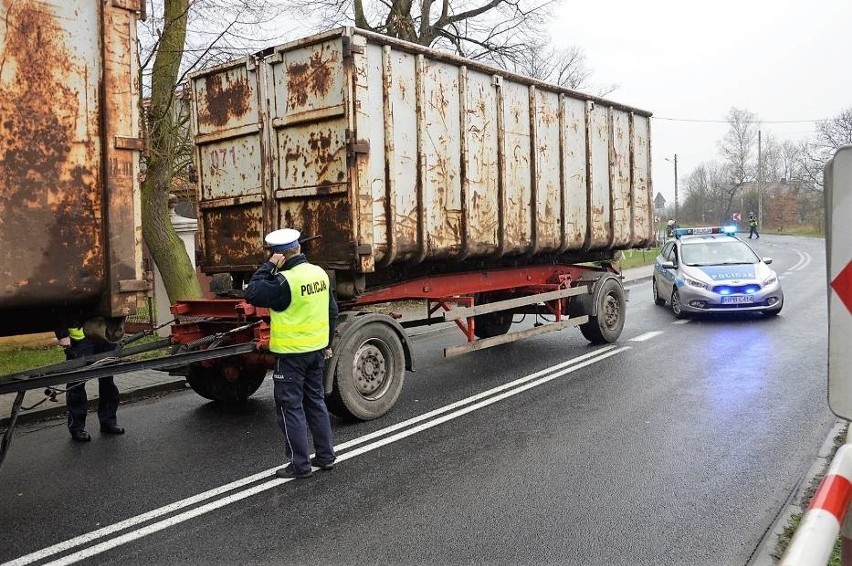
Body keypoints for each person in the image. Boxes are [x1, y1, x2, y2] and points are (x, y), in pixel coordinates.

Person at [244, 228, 338, 479]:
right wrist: (327, 343)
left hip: (291, 356)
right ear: (298, 249)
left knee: (290, 408)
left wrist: (268, 266)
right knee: (316, 402)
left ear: (279, 256)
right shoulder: (319, 274)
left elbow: (252, 292)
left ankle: (300, 465)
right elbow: (332, 312)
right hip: (317, 350)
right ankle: (326, 456)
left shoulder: (284, 282)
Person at [54, 327, 125, 442]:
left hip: (104, 333)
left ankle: (108, 422)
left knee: (107, 381)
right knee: (77, 384)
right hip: (80, 338)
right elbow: (58, 310)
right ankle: (77, 428)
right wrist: (62, 335)